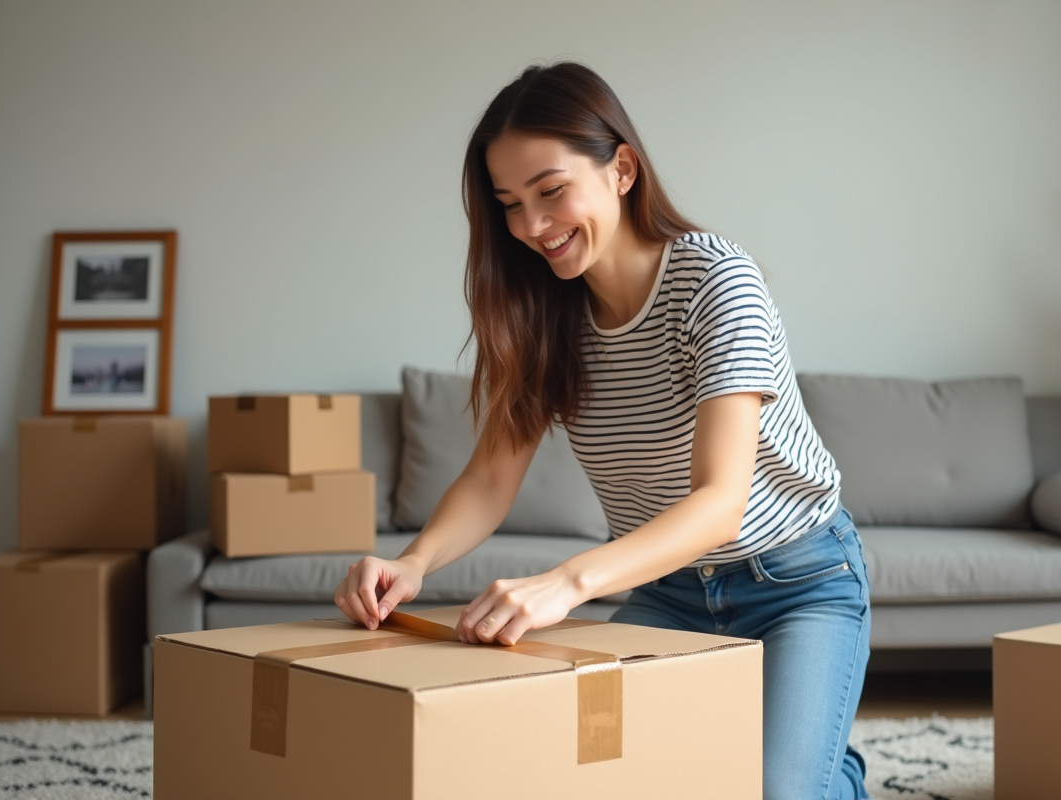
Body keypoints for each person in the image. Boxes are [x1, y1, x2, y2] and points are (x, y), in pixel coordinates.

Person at [334, 62, 871, 800]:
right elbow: (492, 477)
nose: (530, 227)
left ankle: (825, 771)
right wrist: (415, 563)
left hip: (798, 581)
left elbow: (720, 502)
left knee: (777, 793)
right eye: (510, 205)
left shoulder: (717, 282)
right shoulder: (546, 315)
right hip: (672, 591)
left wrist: (567, 583)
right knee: (601, 773)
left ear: (621, 168)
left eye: (550, 191)